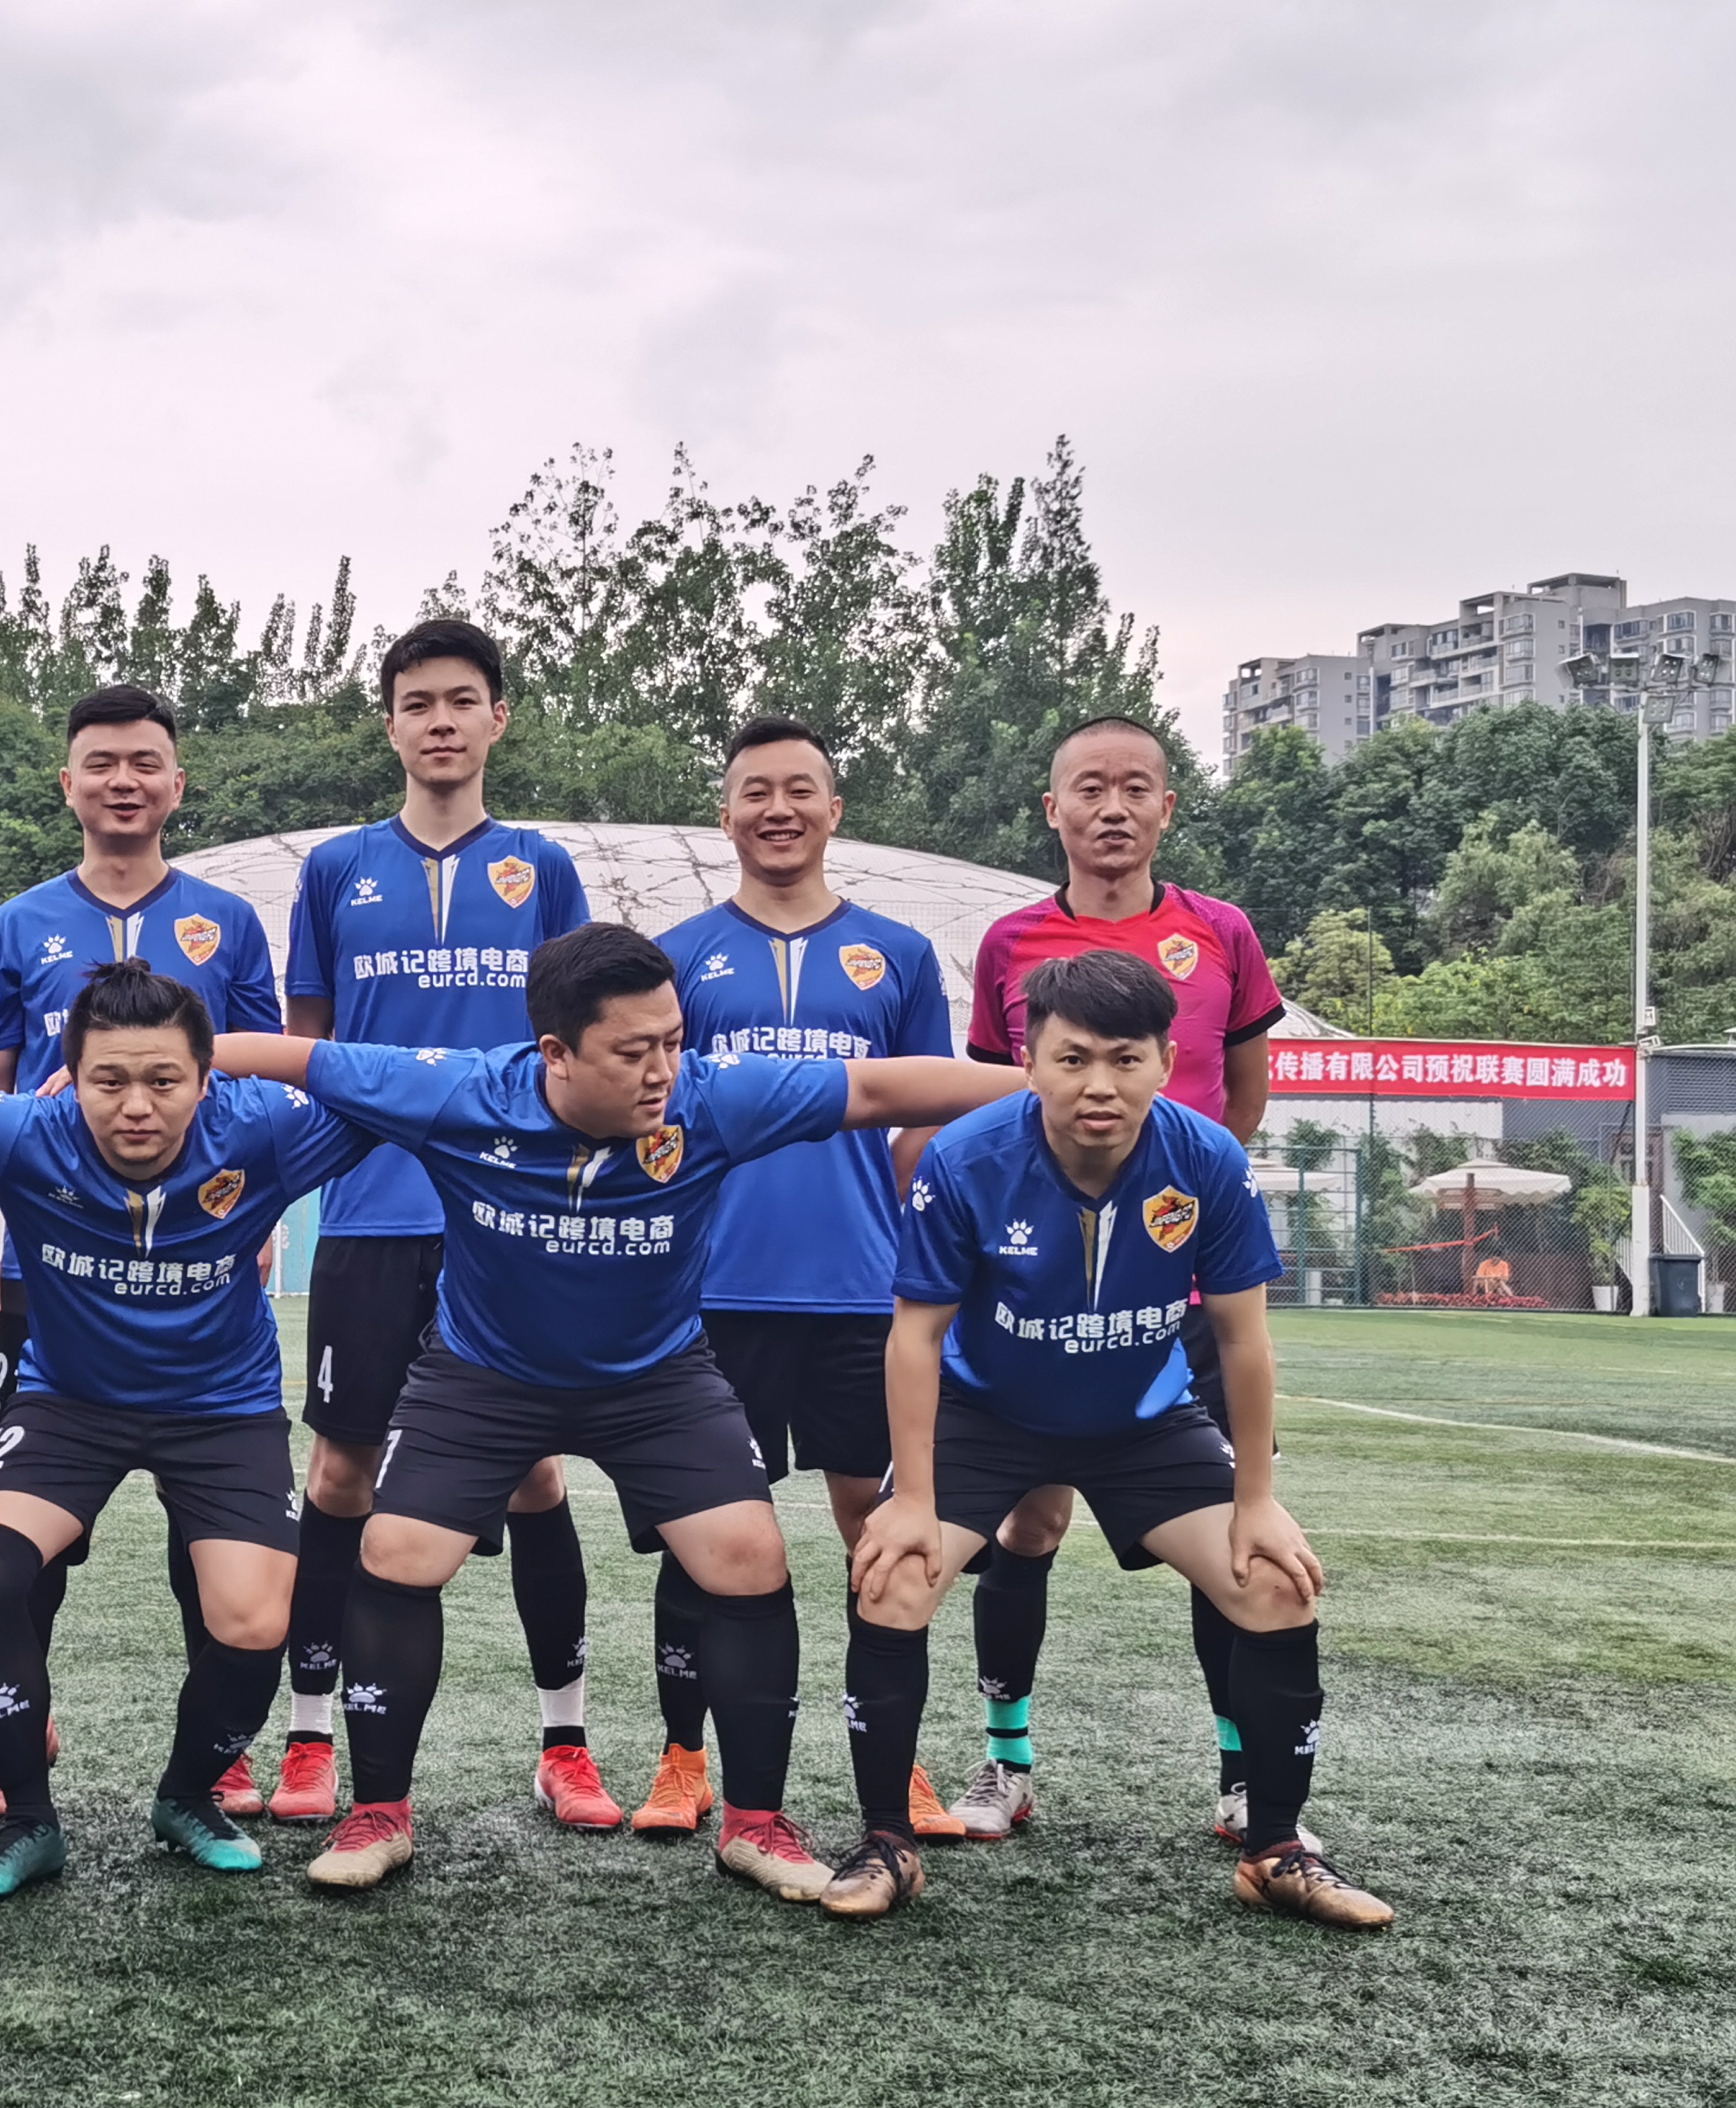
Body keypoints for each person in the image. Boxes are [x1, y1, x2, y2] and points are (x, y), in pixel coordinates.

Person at [208, 923, 1023, 1894]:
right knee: (396, 1551)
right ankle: (380, 1814)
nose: (663, 1070)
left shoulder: (713, 1097)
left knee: (749, 1555)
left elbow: (883, 1091)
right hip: (485, 1377)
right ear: (556, 1052)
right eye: (635, 1051)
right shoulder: (457, 1091)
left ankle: (756, 1824)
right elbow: (294, 1056)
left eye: (674, 1041)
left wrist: (1051, 1088)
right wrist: (133, 1064)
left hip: (657, 1380)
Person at [825, 948, 1390, 1930]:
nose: (1100, 1085)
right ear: (1030, 1062)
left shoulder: (1207, 1159)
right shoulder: (966, 1158)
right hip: (987, 1415)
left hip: (1142, 1420)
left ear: (1166, 1062)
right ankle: (886, 1842)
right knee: (893, 1577)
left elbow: (1243, 1340)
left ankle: (1275, 1849)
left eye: (1126, 1060)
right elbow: (914, 1337)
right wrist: (911, 1498)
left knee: (1274, 1583)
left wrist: (1257, 1500)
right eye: (1073, 1058)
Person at [0, 961, 375, 1898]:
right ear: (68, 1079)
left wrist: (249, 1053)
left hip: (223, 1412)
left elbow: (393, 1093)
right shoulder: (23, 1133)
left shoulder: (265, 1131)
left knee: (254, 1620)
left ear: (207, 1079)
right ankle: (30, 1821)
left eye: (165, 1080)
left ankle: (187, 1797)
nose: (137, 1107)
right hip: (69, 1406)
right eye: (108, 1080)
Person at [265, 619, 607, 1832]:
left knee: (532, 1469)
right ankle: (310, 1737)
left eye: (463, 700)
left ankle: (565, 1742)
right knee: (340, 1469)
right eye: (419, 703)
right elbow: (310, 1047)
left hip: (507, 1220)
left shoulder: (543, 868)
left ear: (497, 719)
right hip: (371, 1216)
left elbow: (576, 1049)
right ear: (393, 725)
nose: (441, 722)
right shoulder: (334, 870)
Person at [0, 681, 283, 1818]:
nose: (124, 781)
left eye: (145, 762)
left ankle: (219, 1756)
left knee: (216, 1538)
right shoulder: (21, 921)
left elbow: (256, 1074)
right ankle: (21, 1729)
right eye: (102, 762)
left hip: (197, 1246)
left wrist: (259, 1217)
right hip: (53, 1261)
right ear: (70, 784)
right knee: (22, 1533)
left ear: (177, 785)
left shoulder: (227, 921)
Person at [958, 715, 1286, 1845]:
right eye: (1089, 788)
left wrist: (1175, 1220)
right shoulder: (1009, 942)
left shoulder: (1223, 932)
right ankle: (1006, 1764)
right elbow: (995, 1108)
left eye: (1135, 787)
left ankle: (1244, 1777)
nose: (1113, 807)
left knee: (1225, 1538)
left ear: (1167, 807)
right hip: (1039, 1300)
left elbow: (1239, 1101)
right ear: (1051, 808)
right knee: (1029, 1524)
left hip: (1174, 1296)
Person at [646, 716, 964, 1841]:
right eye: (755, 791)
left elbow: (928, 1116)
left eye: (799, 790)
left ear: (835, 809)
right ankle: (684, 1759)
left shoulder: (900, 956)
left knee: (879, 1528)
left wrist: (902, 1236)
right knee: (702, 1533)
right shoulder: (678, 956)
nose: (776, 810)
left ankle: (899, 1760)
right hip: (714, 1294)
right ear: (724, 813)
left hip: (858, 1296)